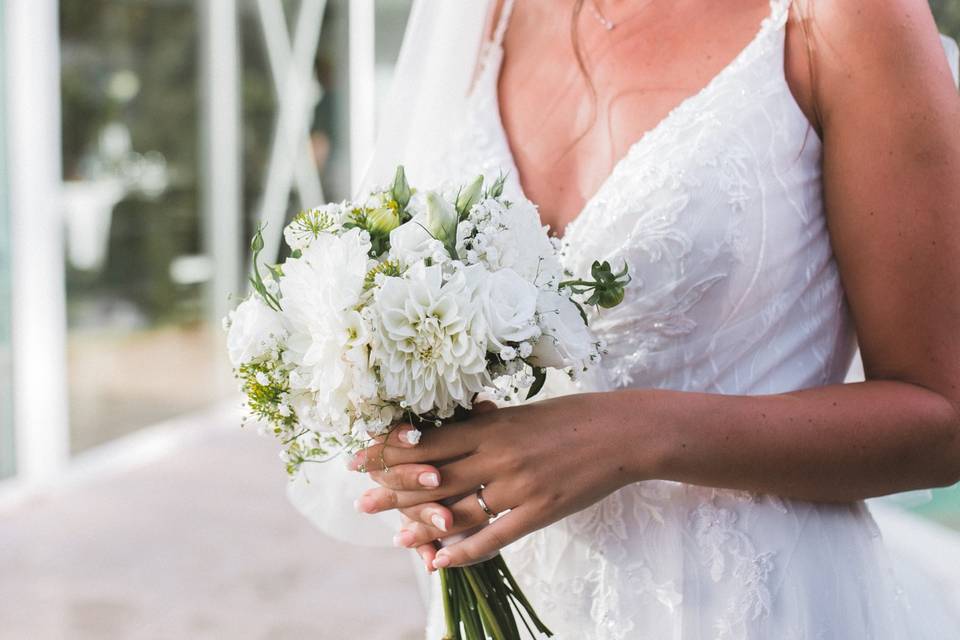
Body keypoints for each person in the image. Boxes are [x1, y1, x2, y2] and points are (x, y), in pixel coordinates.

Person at [296, 0, 960, 636]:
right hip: (529, 597)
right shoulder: (489, 15)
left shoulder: (844, 15)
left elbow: (941, 422)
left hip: (747, 608)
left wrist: (633, 435)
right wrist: (419, 445)